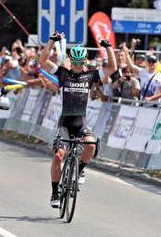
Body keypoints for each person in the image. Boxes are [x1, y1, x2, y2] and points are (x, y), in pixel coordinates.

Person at [39, 32, 117, 208]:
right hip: (65, 123)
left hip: (80, 122)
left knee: (91, 145)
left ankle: (80, 170)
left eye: (80, 63)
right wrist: (52, 41)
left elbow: (112, 68)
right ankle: (54, 192)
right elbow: (42, 61)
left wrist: (108, 47)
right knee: (59, 156)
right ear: (70, 60)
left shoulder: (91, 76)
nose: (76, 65)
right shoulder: (62, 73)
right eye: (74, 62)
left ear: (85, 62)